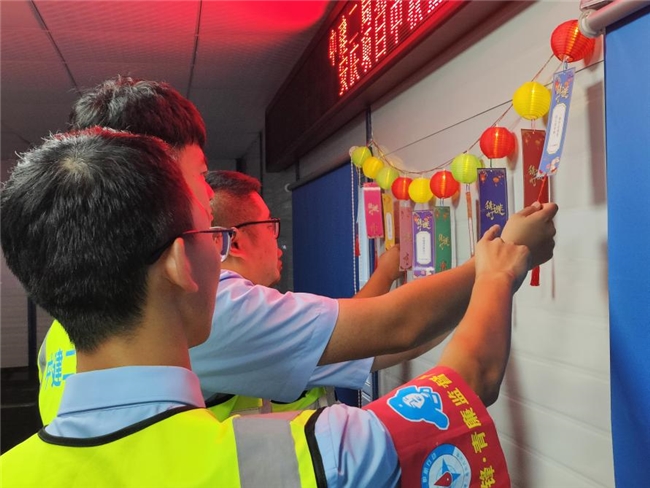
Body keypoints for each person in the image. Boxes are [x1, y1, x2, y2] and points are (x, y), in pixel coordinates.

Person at [2, 128, 530, 487]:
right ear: (180, 263)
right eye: (211, 236)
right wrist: (498, 270)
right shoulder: (296, 456)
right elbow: (466, 386)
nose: (222, 256)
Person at [37, 75, 558, 425]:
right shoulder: (201, 309)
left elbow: (388, 332)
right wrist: (501, 262)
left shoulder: (72, 323)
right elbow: (428, 356)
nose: (204, 202)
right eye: (198, 178)